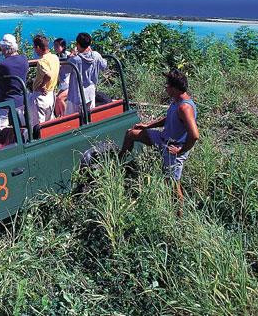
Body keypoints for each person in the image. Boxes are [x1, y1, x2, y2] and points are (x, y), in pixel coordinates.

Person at [120, 69, 199, 214]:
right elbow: (169, 118)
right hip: (162, 139)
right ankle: (120, 166)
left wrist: (180, 151)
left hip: (173, 148)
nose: (165, 88)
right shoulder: (177, 100)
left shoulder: (185, 107)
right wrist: (148, 125)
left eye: (167, 85)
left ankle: (179, 221)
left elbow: (194, 135)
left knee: (173, 186)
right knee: (131, 134)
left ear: (175, 88)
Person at [0, 33, 29, 129]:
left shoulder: (2, 64)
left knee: (0, 131)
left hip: (4, 104)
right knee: (19, 130)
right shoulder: (24, 59)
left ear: (4, 48)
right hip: (20, 102)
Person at [65, 32, 107, 115]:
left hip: (76, 96)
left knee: (73, 121)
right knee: (89, 118)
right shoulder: (96, 55)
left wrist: (70, 56)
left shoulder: (75, 60)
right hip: (90, 93)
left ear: (77, 44)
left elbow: (65, 70)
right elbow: (104, 66)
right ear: (89, 44)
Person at [28, 35, 60, 125]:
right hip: (51, 94)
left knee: (38, 124)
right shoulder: (55, 57)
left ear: (38, 47)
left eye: (34, 47)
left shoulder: (42, 61)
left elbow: (48, 75)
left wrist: (42, 85)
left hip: (41, 95)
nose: (34, 49)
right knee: (49, 122)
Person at [53, 37, 71, 117]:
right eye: (54, 46)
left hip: (70, 85)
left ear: (63, 47)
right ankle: (58, 118)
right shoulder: (55, 57)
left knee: (59, 99)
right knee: (55, 101)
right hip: (62, 85)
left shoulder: (68, 55)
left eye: (57, 46)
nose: (55, 48)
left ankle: (65, 117)